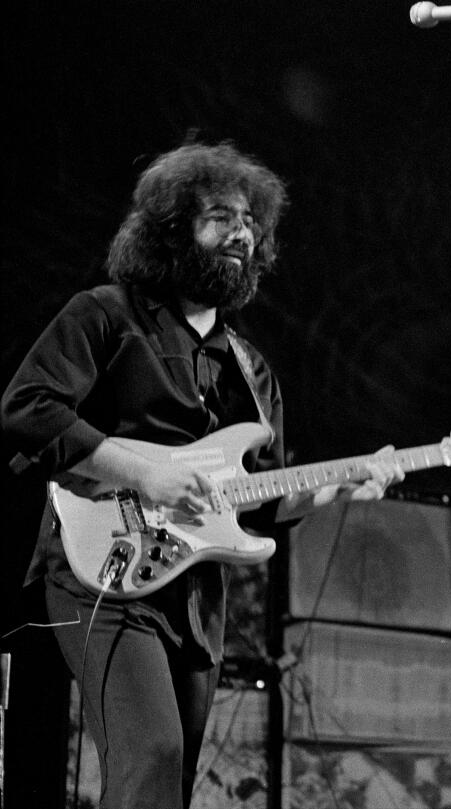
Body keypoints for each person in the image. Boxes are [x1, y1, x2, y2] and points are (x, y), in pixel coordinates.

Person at [1, 142, 403, 809]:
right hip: (98, 569)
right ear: (172, 229)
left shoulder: (251, 369)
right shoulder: (105, 314)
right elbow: (27, 407)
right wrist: (141, 472)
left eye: (251, 223)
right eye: (220, 216)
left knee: (171, 781)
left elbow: (264, 501)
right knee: (150, 755)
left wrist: (342, 486)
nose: (241, 233)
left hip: (192, 604)